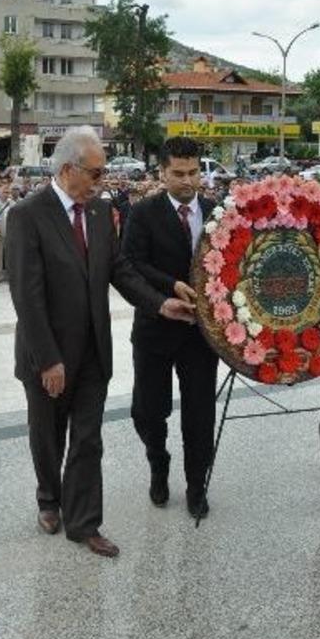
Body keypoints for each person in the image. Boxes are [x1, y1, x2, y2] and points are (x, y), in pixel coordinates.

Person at [6, 125, 196, 558]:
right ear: (69, 169)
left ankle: (84, 523)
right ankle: (48, 499)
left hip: (93, 351)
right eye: (96, 173)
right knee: (48, 435)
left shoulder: (98, 212)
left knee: (88, 439)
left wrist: (161, 303)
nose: (102, 181)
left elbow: (121, 271)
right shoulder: (27, 215)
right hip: (48, 355)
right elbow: (26, 297)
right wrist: (48, 359)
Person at [122, 136, 219, 519]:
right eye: (178, 173)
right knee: (147, 411)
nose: (187, 181)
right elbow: (130, 264)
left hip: (201, 335)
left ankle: (197, 485)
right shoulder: (142, 213)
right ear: (162, 172)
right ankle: (158, 462)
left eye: (193, 172)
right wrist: (169, 287)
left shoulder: (218, 212)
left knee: (199, 414)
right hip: (155, 330)